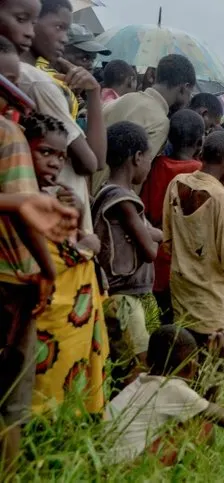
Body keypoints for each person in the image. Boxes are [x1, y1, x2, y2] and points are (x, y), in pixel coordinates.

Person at [0, 41, 76, 464]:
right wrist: (46, 269)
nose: (15, 92)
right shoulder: (8, 133)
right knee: (12, 401)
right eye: (9, 81)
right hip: (13, 281)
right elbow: (27, 212)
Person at [20, 112, 109, 416]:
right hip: (46, 313)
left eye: (61, 156)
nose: (56, 162)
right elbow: (59, 254)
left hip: (68, 317)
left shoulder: (58, 198)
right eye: (45, 152)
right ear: (23, 149)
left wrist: (81, 223)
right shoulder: (22, 199)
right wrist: (87, 246)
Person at [15, 0, 106, 235]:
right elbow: (92, 162)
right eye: (59, 27)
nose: (65, 38)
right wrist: (94, 92)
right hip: (58, 219)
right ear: (32, 22)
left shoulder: (24, 75)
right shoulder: (38, 83)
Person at [104, 326, 224, 466]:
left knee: (197, 417)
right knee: (203, 425)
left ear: (147, 361)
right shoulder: (173, 389)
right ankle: (204, 475)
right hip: (126, 470)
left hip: (103, 466)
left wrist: (216, 366)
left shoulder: (140, 381)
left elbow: (205, 405)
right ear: (192, 366)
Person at [92, 121, 158, 397]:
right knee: (133, 369)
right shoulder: (124, 200)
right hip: (122, 301)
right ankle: (121, 427)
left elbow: (148, 230)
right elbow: (149, 250)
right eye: (149, 160)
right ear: (138, 157)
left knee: (121, 366)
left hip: (119, 297)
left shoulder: (112, 193)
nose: (149, 167)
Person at [163, 131, 224, 347]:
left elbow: (167, 237)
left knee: (182, 351)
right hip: (209, 295)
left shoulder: (176, 183)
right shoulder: (220, 197)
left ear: (201, 153)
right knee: (207, 357)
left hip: (180, 286)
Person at [95, 53, 196, 193]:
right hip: (109, 197)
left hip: (86, 190)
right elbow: (135, 176)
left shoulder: (124, 99)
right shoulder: (160, 122)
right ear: (184, 87)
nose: (188, 99)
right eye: (190, 92)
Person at [139, 109, 204, 324]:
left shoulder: (155, 166)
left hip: (160, 259)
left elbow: (145, 210)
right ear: (200, 141)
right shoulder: (200, 173)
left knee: (166, 318)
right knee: (187, 323)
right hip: (189, 261)